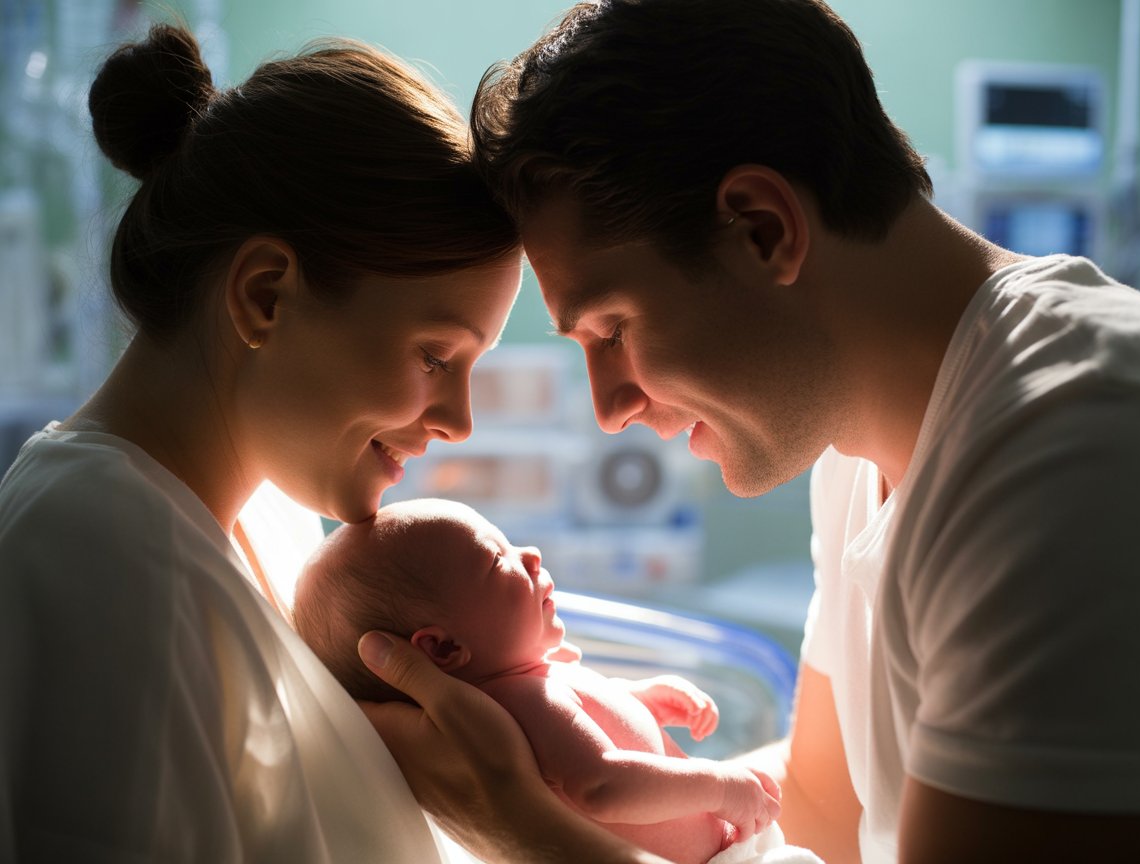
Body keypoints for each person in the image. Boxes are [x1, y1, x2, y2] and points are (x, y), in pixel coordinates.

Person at [468, 1, 1140, 862]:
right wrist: (575, 774)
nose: (611, 409)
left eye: (613, 330)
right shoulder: (855, 445)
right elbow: (828, 807)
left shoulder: (1071, 449)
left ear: (763, 230)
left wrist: (514, 825)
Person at [0, 22, 681, 864]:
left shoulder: (266, 514)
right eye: (434, 357)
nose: (457, 422)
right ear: (265, 295)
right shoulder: (97, 553)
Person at [293, 497, 823, 864]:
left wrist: (638, 700)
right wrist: (721, 786)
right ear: (444, 649)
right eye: (496, 558)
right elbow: (603, 785)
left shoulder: (533, 683)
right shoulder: (522, 698)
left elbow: (591, 728)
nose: (530, 554)